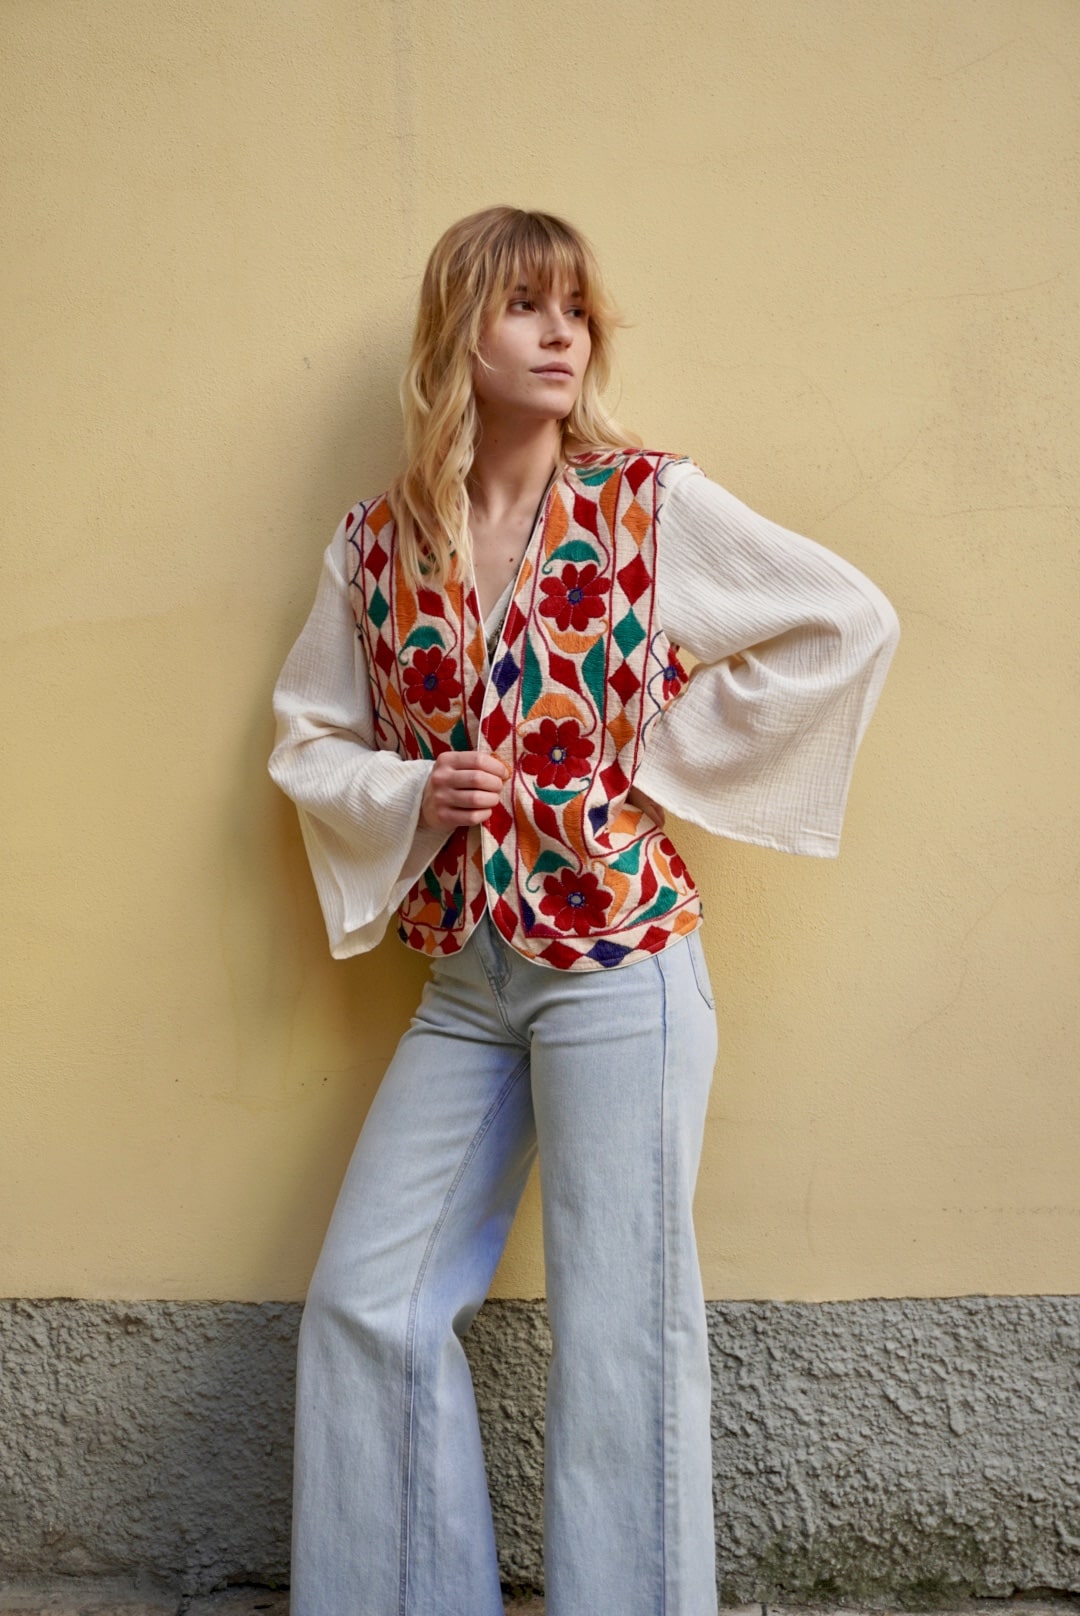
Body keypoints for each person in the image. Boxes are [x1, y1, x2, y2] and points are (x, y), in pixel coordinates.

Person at [269, 205, 899, 1616]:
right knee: (368, 1304)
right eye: (526, 307)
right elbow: (309, 738)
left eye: (576, 310)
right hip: (466, 981)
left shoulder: (645, 504)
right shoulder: (376, 545)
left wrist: (651, 753)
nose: (563, 335)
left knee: (623, 1334)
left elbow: (847, 620)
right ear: (460, 335)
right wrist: (409, 791)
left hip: (624, 966)